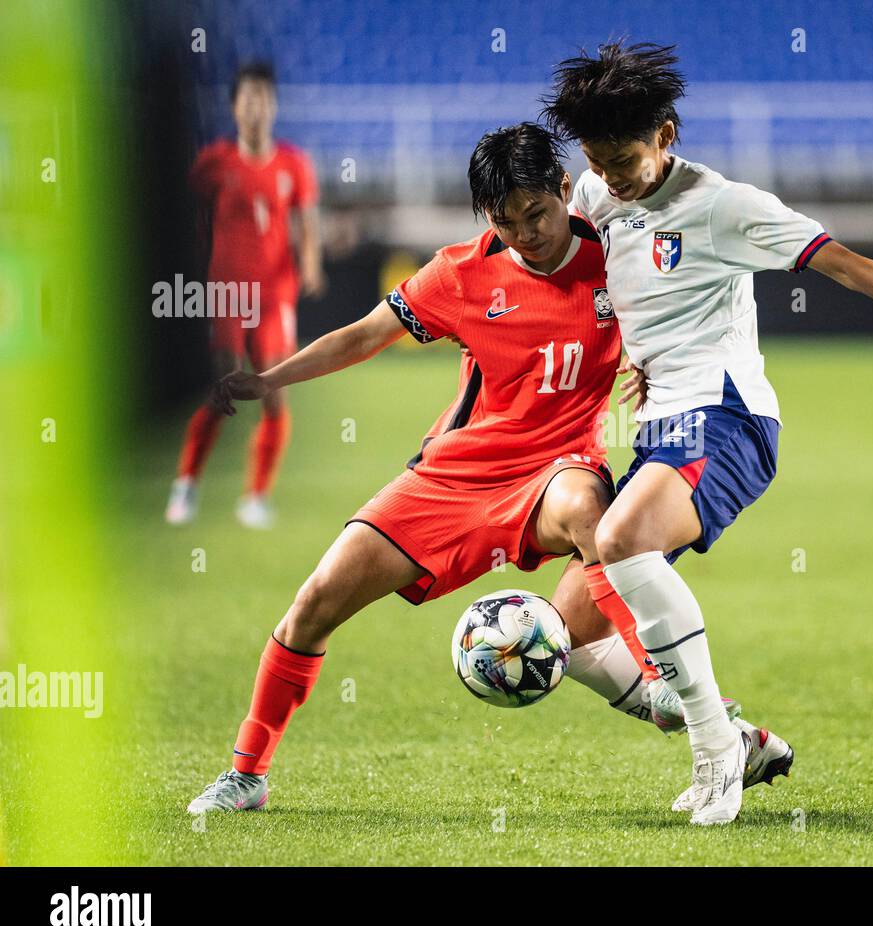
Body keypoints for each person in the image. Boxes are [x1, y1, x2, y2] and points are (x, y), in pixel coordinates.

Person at [186, 123, 748, 815]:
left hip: (558, 469)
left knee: (586, 511)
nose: (525, 234)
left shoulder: (616, 257)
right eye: (505, 222)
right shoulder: (461, 272)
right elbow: (364, 335)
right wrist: (269, 379)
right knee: (313, 605)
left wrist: (653, 367)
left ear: (566, 190)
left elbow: (682, 307)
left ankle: (666, 682)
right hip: (450, 479)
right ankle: (246, 773)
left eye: (537, 215)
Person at [542, 42, 873, 825]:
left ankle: (713, 753)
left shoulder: (724, 204)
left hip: (727, 417)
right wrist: (629, 351)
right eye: (598, 159)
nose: (613, 176)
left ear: (666, 133)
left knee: (621, 537)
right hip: (661, 431)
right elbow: (599, 282)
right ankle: (737, 735)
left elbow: (838, 260)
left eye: (625, 157)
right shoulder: (596, 192)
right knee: (572, 635)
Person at [166, 62, 323, 529]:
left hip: (276, 296)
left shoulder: (294, 164)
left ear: (274, 106)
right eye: (248, 98)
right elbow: (184, 217)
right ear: (235, 106)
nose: (256, 107)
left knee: (274, 392)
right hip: (226, 293)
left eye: (264, 98)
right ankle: (187, 484)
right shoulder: (214, 163)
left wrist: (310, 264)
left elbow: (308, 222)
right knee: (221, 390)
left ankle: (256, 497)